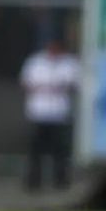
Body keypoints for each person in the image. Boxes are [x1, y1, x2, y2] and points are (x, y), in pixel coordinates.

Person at [20, 37, 80, 191]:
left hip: (59, 115)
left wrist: (53, 87)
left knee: (60, 152)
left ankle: (60, 181)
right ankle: (34, 182)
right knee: (36, 151)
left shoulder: (69, 63)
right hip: (38, 113)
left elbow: (74, 85)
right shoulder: (35, 62)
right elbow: (26, 83)